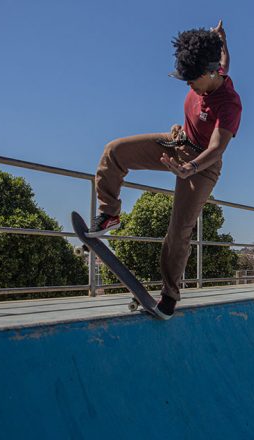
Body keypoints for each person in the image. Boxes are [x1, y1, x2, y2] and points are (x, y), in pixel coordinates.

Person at [88, 21, 241, 320]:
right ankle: (110, 213)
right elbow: (225, 60)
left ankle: (170, 295)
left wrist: (190, 168)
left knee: (179, 229)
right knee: (115, 151)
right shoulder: (216, 70)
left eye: (192, 80)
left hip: (202, 166)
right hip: (176, 143)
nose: (188, 86)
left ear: (210, 73)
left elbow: (217, 148)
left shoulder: (230, 103)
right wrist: (222, 40)